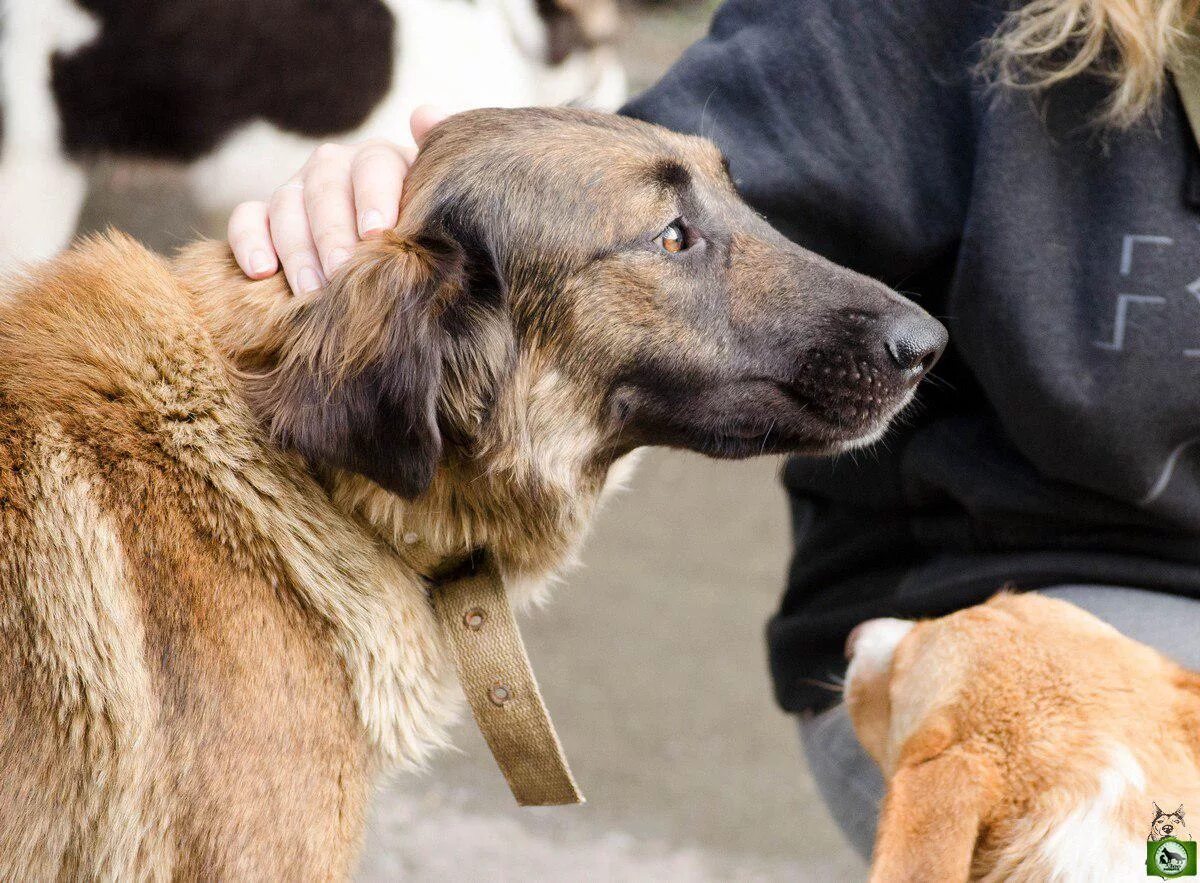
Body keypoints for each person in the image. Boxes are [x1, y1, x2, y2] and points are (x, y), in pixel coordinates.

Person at [226, 0, 1200, 858]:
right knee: (1168, 847)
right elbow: (610, 191)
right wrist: (394, 194)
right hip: (1016, 595)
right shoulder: (938, 17)